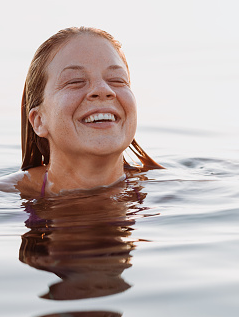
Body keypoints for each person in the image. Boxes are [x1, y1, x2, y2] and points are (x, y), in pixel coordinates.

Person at [15, 27, 162, 198]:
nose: (103, 90)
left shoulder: (171, 193)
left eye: (117, 80)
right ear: (39, 120)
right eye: (76, 81)